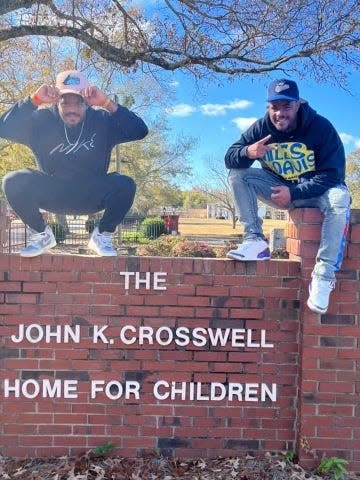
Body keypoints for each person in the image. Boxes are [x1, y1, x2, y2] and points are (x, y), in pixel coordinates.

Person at [224, 78, 351, 315]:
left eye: (286, 106)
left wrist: (294, 193)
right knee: (238, 174)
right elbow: (229, 157)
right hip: (279, 187)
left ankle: (323, 276)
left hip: (317, 191)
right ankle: (255, 242)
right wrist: (247, 152)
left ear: (298, 105)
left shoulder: (320, 127)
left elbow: (333, 175)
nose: (280, 113)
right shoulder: (261, 128)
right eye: (274, 107)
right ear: (268, 108)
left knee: (340, 199)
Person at [0, 69, 148, 257]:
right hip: (52, 193)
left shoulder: (102, 121)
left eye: (78, 103)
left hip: (92, 195)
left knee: (125, 184)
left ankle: (101, 235)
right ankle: (41, 234)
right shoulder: (41, 121)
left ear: (87, 103)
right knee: (13, 180)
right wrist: (34, 100)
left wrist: (106, 103)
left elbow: (140, 130)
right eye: (65, 102)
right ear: (56, 102)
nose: (72, 109)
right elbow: (3, 128)